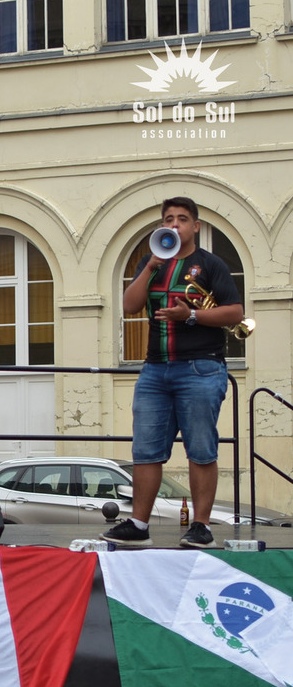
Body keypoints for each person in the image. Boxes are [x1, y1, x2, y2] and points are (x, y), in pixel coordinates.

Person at [103, 197, 244, 549]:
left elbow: (234, 313)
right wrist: (151, 264)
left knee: (201, 449)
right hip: (155, 369)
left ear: (195, 226)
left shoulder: (210, 264)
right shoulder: (150, 263)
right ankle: (139, 524)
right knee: (146, 450)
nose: (175, 224)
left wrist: (191, 316)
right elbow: (130, 305)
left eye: (182, 219)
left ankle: (201, 526)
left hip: (201, 367)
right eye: (168, 219)